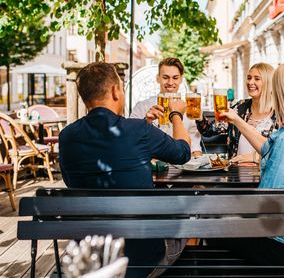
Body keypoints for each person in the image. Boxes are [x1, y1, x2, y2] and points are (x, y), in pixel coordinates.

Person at [59, 62, 191, 278]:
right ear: (114, 91)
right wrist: (176, 114)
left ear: (84, 97)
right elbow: (183, 152)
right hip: (142, 259)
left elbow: (69, 181)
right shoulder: (138, 129)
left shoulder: (66, 137)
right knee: (191, 219)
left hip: (90, 257)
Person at [215, 61, 284, 266]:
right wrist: (238, 120)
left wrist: (223, 206)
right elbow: (268, 148)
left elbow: (265, 202)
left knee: (209, 227)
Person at [196, 62, 278, 161]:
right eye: (248, 78)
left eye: (257, 79)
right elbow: (209, 130)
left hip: (265, 173)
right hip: (236, 173)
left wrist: (255, 157)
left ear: (268, 82)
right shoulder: (240, 107)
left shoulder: (279, 114)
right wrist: (199, 116)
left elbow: (280, 153)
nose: (250, 82)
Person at [130, 57, 202, 157]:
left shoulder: (190, 107)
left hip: (184, 167)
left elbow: (195, 146)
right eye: (165, 77)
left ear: (181, 79)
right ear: (158, 78)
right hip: (154, 166)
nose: (170, 82)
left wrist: (198, 164)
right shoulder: (142, 107)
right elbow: (131, 140)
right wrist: (146, 121)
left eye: (175, 78)